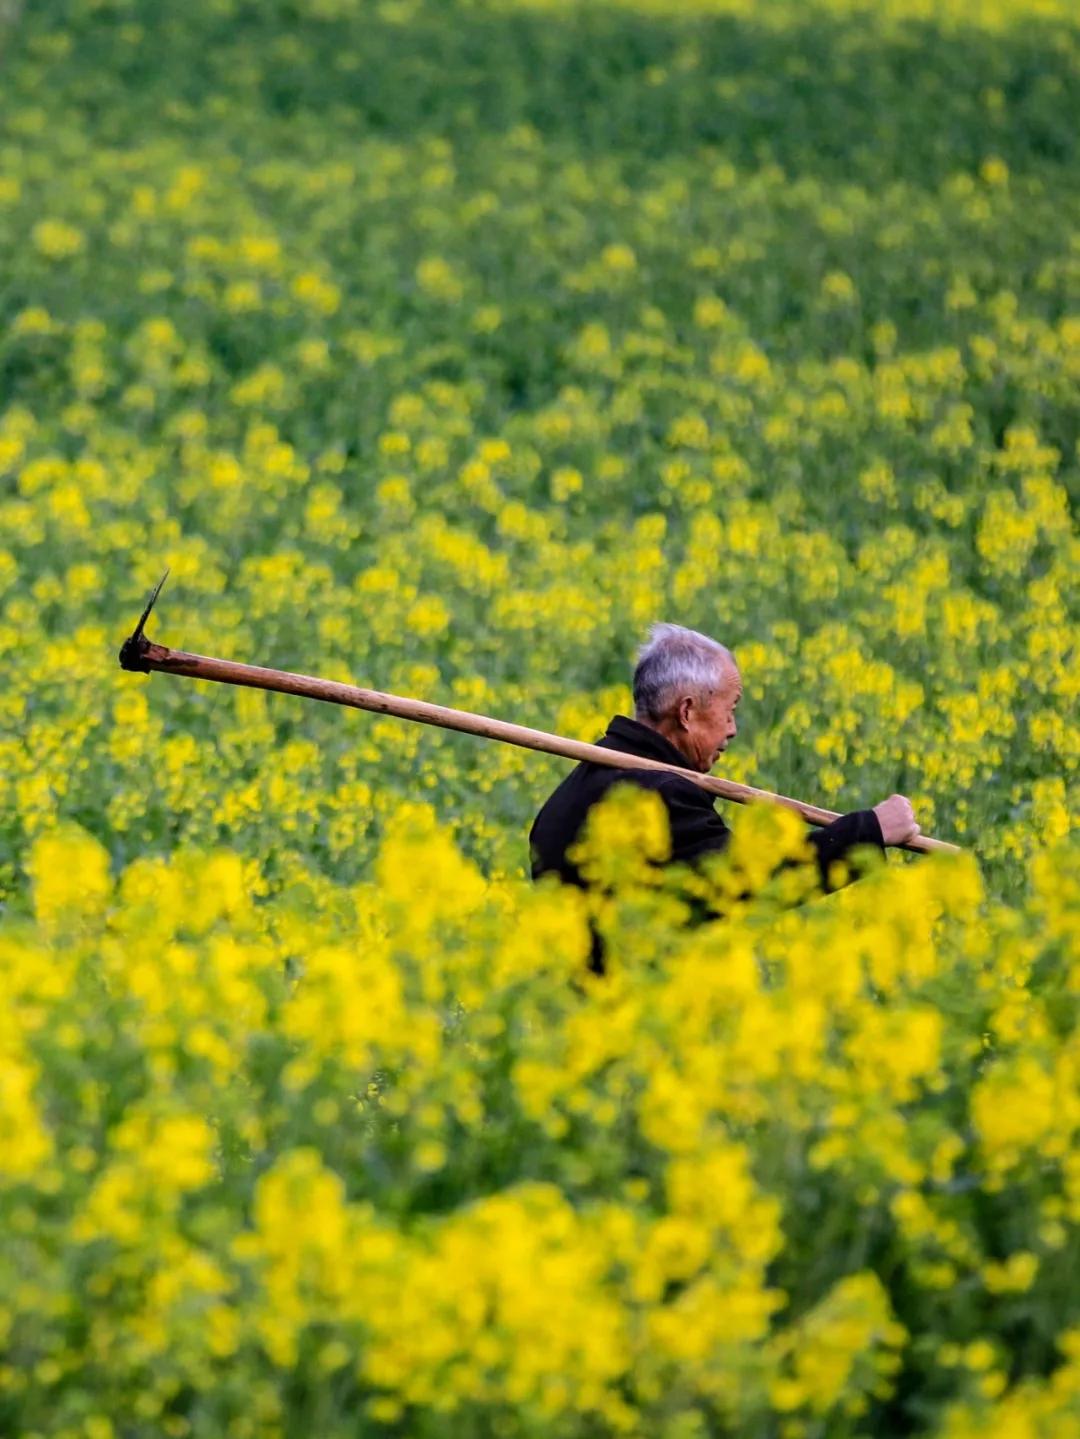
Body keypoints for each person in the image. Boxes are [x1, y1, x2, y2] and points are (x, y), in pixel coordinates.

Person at [528, 622, 920, 972]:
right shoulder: (661, 796)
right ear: (686, 712)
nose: (732, 729)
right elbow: (755, 880)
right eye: (730, 710)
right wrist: (869, 830)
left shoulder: (580, 784)